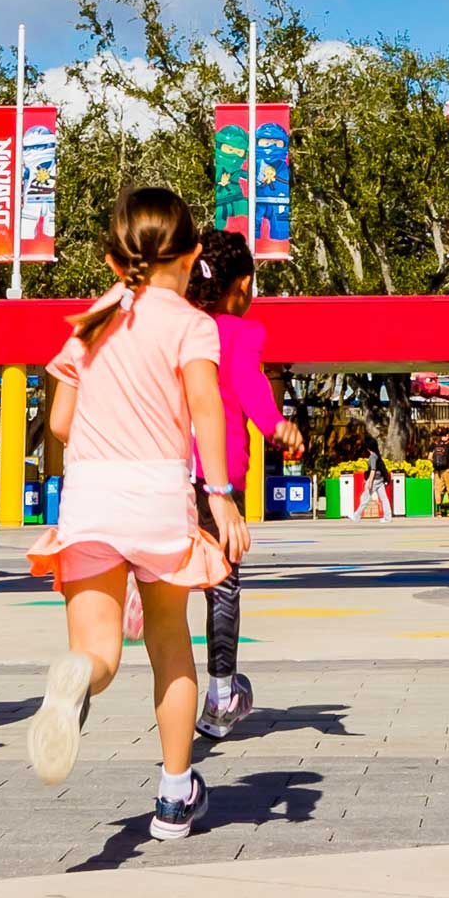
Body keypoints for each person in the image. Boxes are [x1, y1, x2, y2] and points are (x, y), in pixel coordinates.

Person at [26, 186, 249, 840]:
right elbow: (206, 406)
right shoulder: (189, 323)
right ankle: (175, 797)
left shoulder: (92, 319)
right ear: (193, 256)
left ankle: (75, 680)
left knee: (97, 650)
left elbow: (61, 422)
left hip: (91, 496)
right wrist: (220, 491)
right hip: (158, 498)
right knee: (170, 646)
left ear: (110, 257)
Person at [189, 229, 284, 736]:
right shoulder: (241, 334)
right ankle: (221, 693)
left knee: (166, 582)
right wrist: (275, 425)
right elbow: (250, 384)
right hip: (218, 477)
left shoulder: (177, 324)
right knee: (221, 586)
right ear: (243, 284)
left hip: (166, 469)